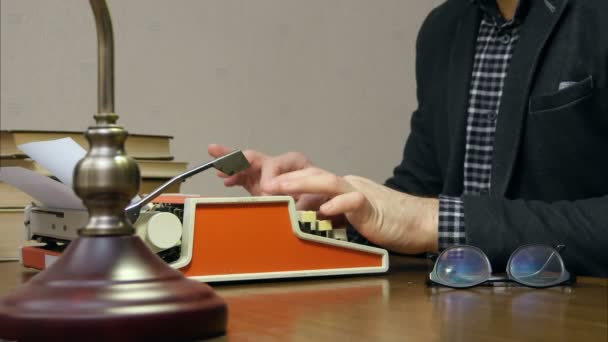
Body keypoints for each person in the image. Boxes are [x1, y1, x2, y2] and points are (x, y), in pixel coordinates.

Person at [209, 0, 608, 277]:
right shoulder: (442, 28)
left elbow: (424, 216)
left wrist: (428, 219)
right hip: (458, 307)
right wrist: (339, 209)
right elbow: (418, 190)